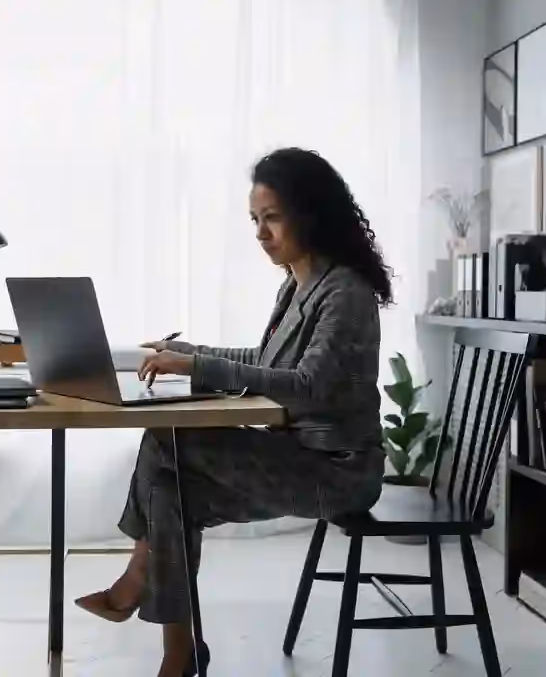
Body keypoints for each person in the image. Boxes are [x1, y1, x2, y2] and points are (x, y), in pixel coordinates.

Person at [74, 147, 394, 676]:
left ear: (310, 213)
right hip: (299, 456)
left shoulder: (345, 292)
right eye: (255, 220)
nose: (260, 233)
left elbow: (306, 387)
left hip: (338, 471)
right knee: (169, 493)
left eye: (272, 218)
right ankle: (179, 653)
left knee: (163, 443)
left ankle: (137, 585)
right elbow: (269, 361)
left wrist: (196, 365)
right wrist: (188, 356)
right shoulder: (298, 283)